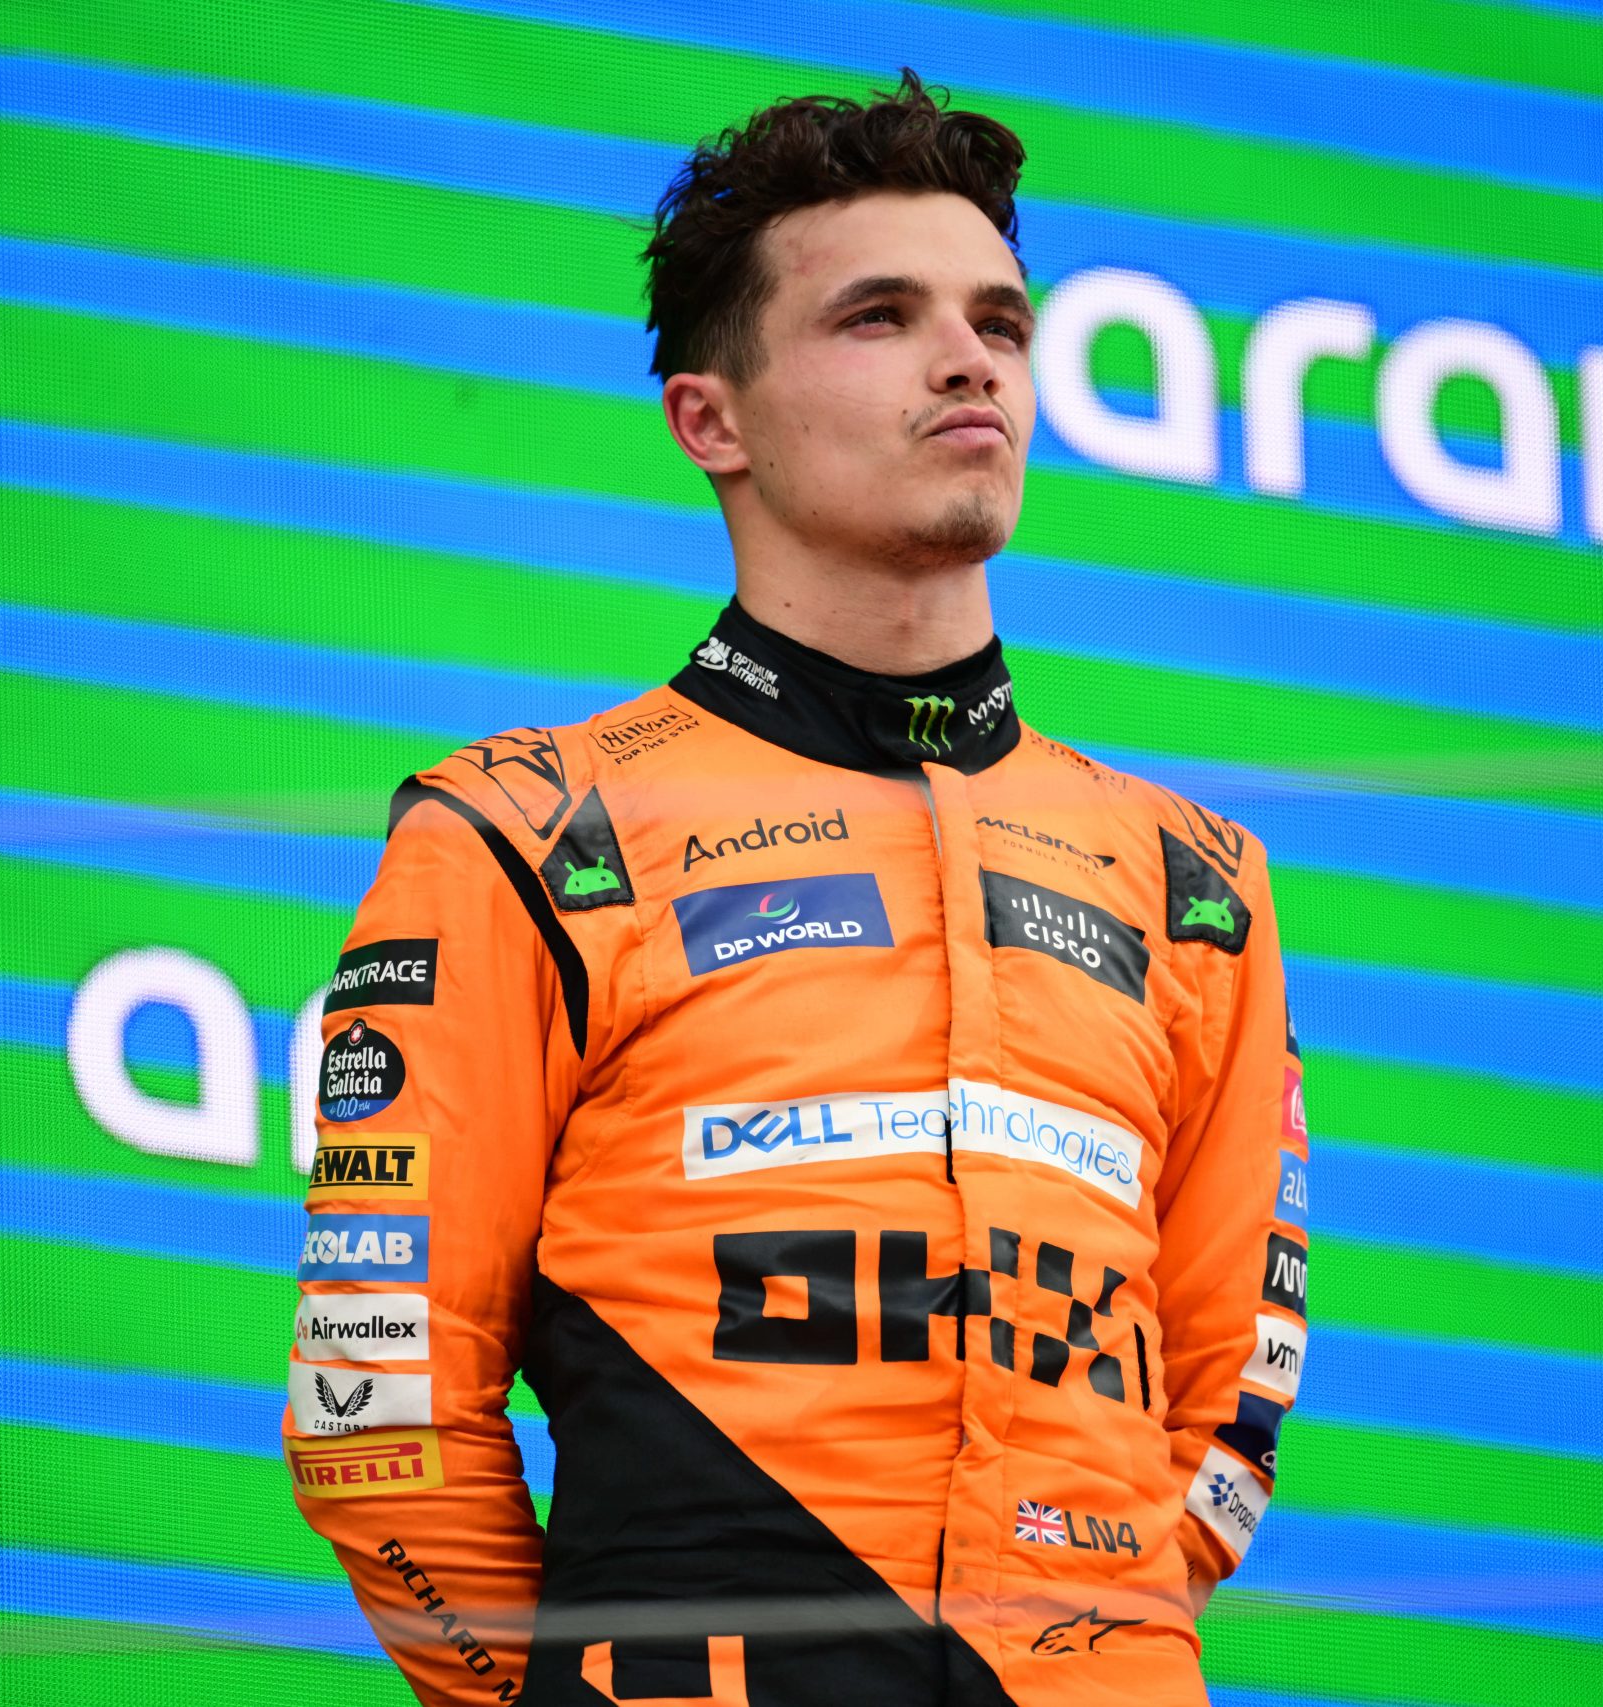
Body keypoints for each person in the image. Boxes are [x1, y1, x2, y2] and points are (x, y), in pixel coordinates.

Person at [286, 70, 1308, 1707]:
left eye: (1002, 319)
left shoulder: (1193, 878)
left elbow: (1222, 1408)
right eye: (878, 318)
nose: (968, 359)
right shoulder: (521, 833)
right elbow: (381, 1413)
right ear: (714, 420)